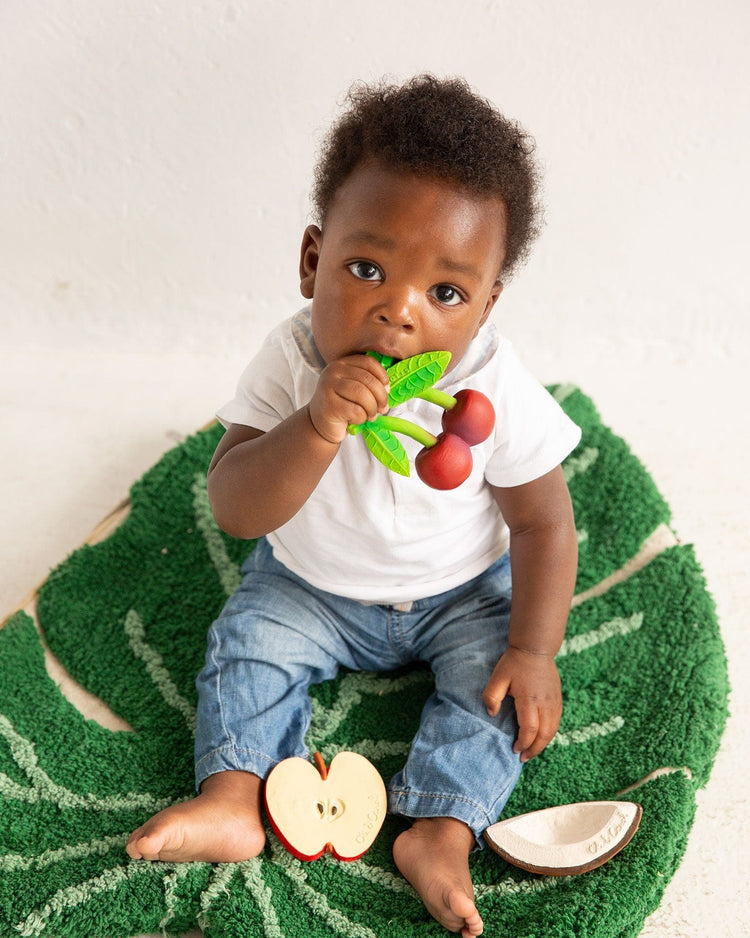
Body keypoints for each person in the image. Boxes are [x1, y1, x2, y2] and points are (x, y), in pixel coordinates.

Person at [127, 75, 581, 938]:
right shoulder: (292, 360)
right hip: (309, 586)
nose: (398, 311)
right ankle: (233, 797)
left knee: (492, 699)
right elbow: (235, 507)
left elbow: (542, 521)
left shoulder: (487, 386)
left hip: (456, 596)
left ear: (485, 306)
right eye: (366, 268)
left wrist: (532, 646)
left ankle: (441, 831)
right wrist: (315, 423)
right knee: (247, 645)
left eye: (445, 293)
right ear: (311, 260)